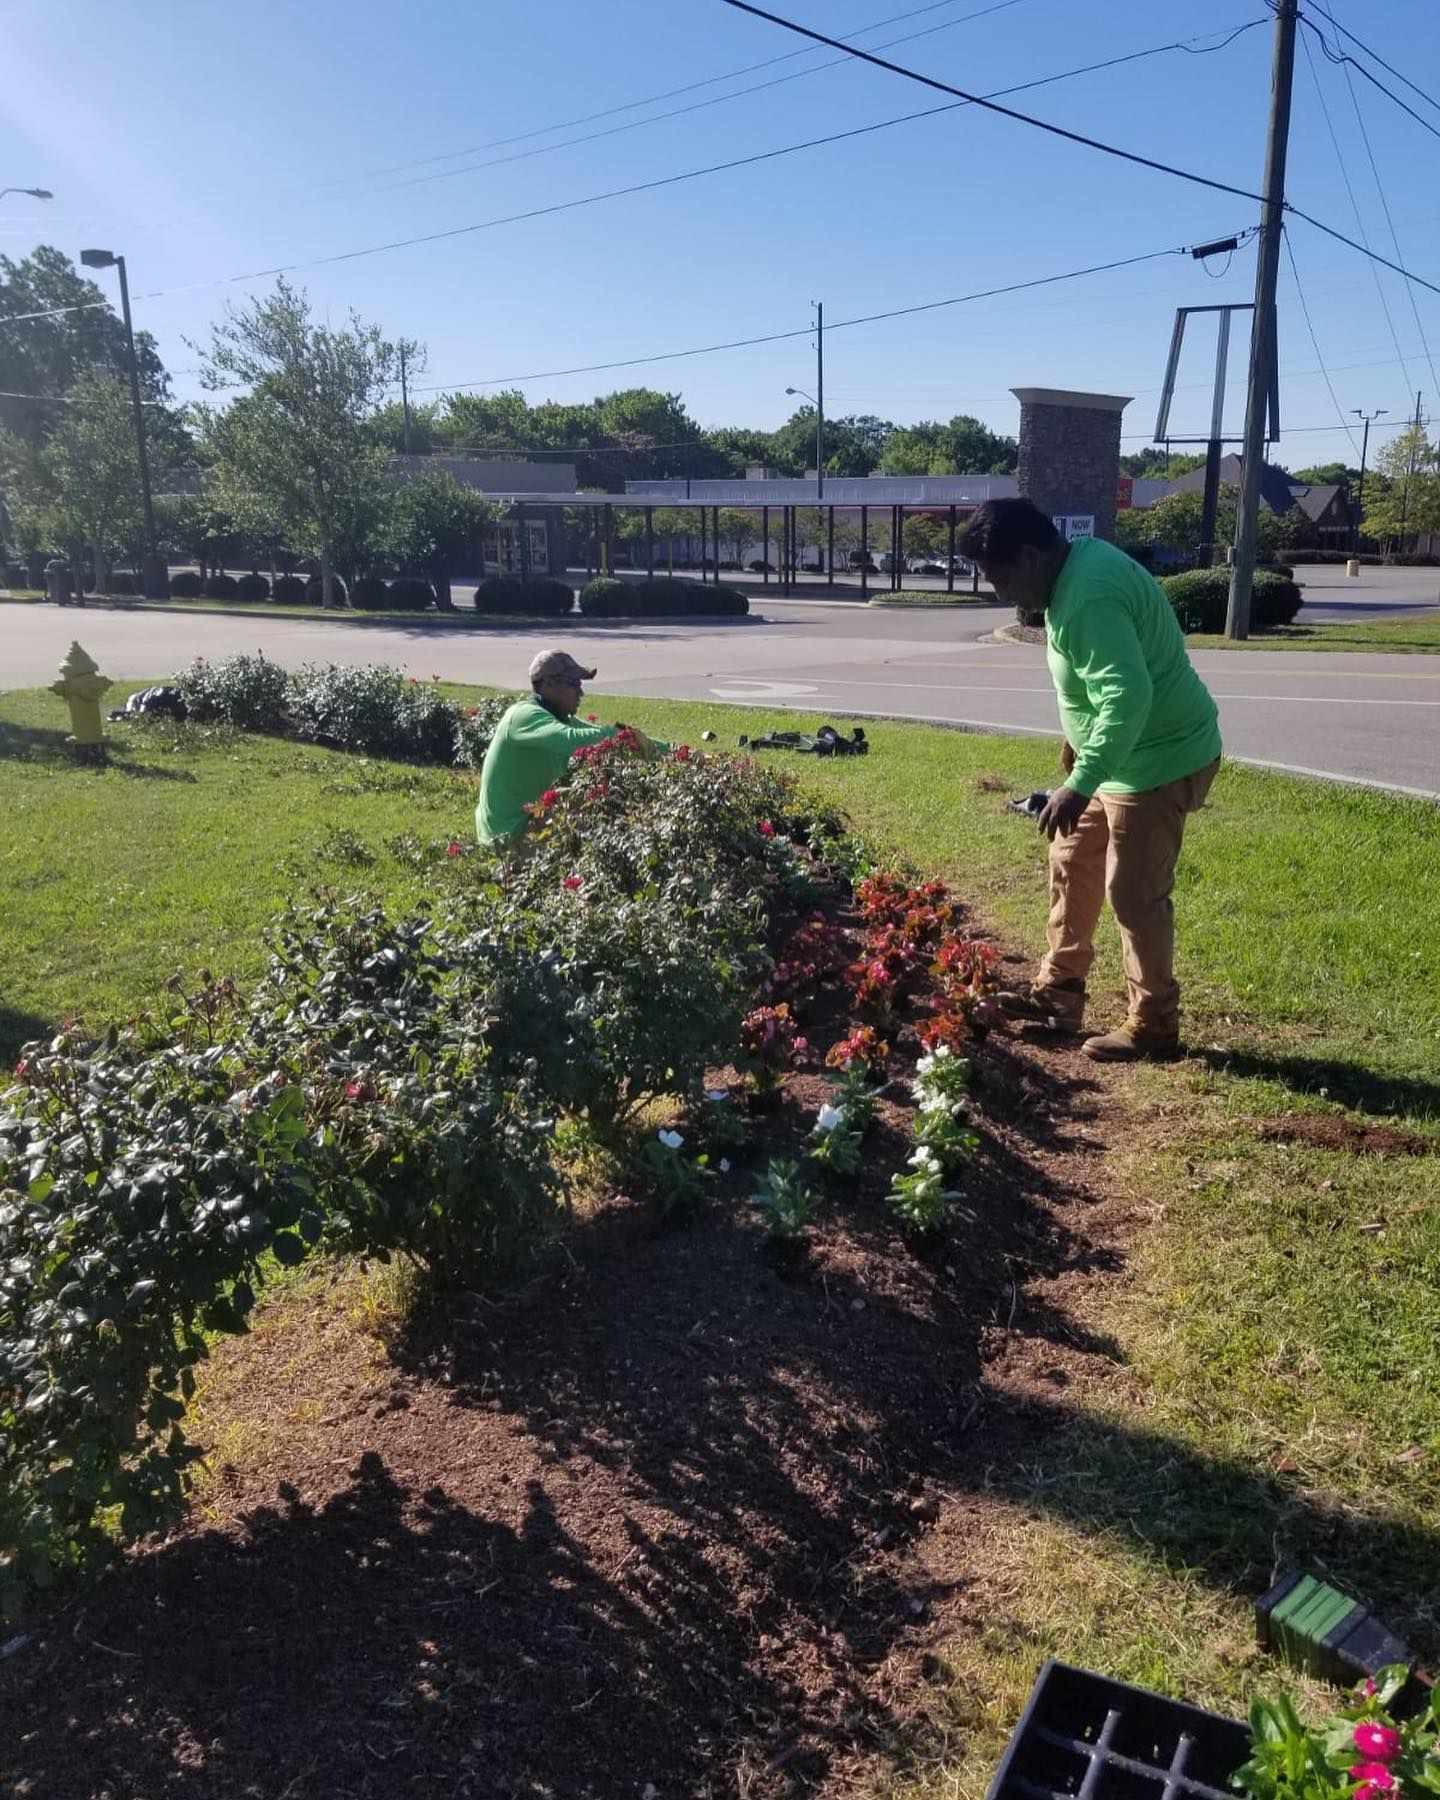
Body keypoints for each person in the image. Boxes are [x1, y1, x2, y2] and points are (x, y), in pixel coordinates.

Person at [957, 498, 1221, 1062]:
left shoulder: (1088, 598)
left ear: (1030, 556)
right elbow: (1095, 683)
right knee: (1072, 856)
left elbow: (1127, 696)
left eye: (1000, 577)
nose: (999, 592)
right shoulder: (1073, 573)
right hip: (1118, 756)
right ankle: (1059, 994)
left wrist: (1081, 782)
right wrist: (1078, 742)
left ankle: (1154, 1024)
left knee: (1132, 892)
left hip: (1160, 757)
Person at [475, 648, 662, 846]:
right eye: (574, 684)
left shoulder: (558, 718)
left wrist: (675, 751)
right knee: (592, 798)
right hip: (508, 835)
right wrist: (618, 735)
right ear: (549, 684)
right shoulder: (523, 716)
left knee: (593, 794)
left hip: (527, 821)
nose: (580, 692)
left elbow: (602, 734)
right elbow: (572, 740)